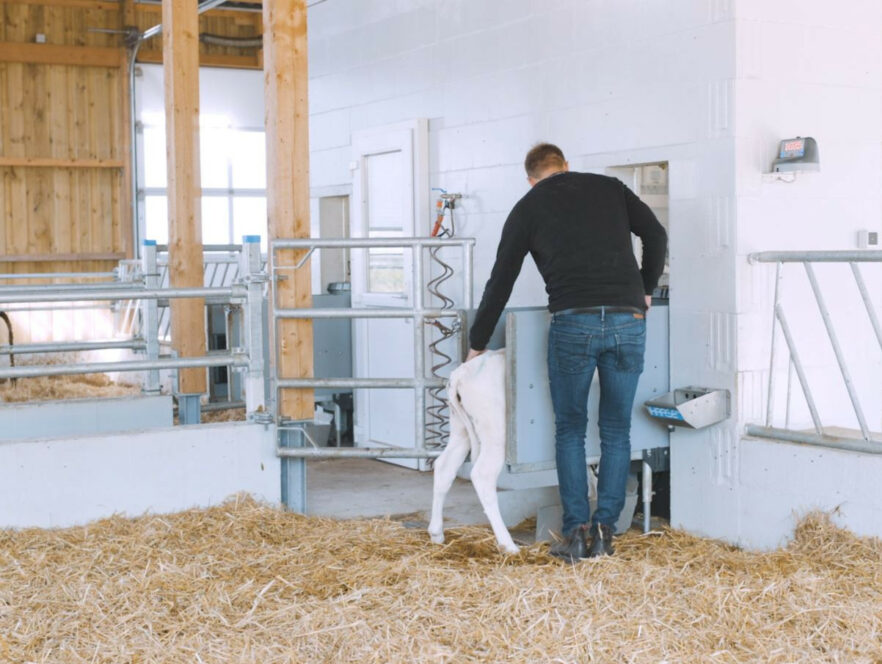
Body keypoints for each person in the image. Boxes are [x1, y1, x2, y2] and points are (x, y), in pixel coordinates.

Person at [466, 143, 667, 562]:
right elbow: (656, 234)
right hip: (628, 320)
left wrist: (478, 341)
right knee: (616, 430)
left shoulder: (527, 207)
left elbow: (501, 278)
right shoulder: (610, 188)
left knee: (570, 429)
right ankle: (605, 534)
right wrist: (645, 290)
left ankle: (575, 533)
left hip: (573, 322)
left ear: (531, 178)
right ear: (566, 167)